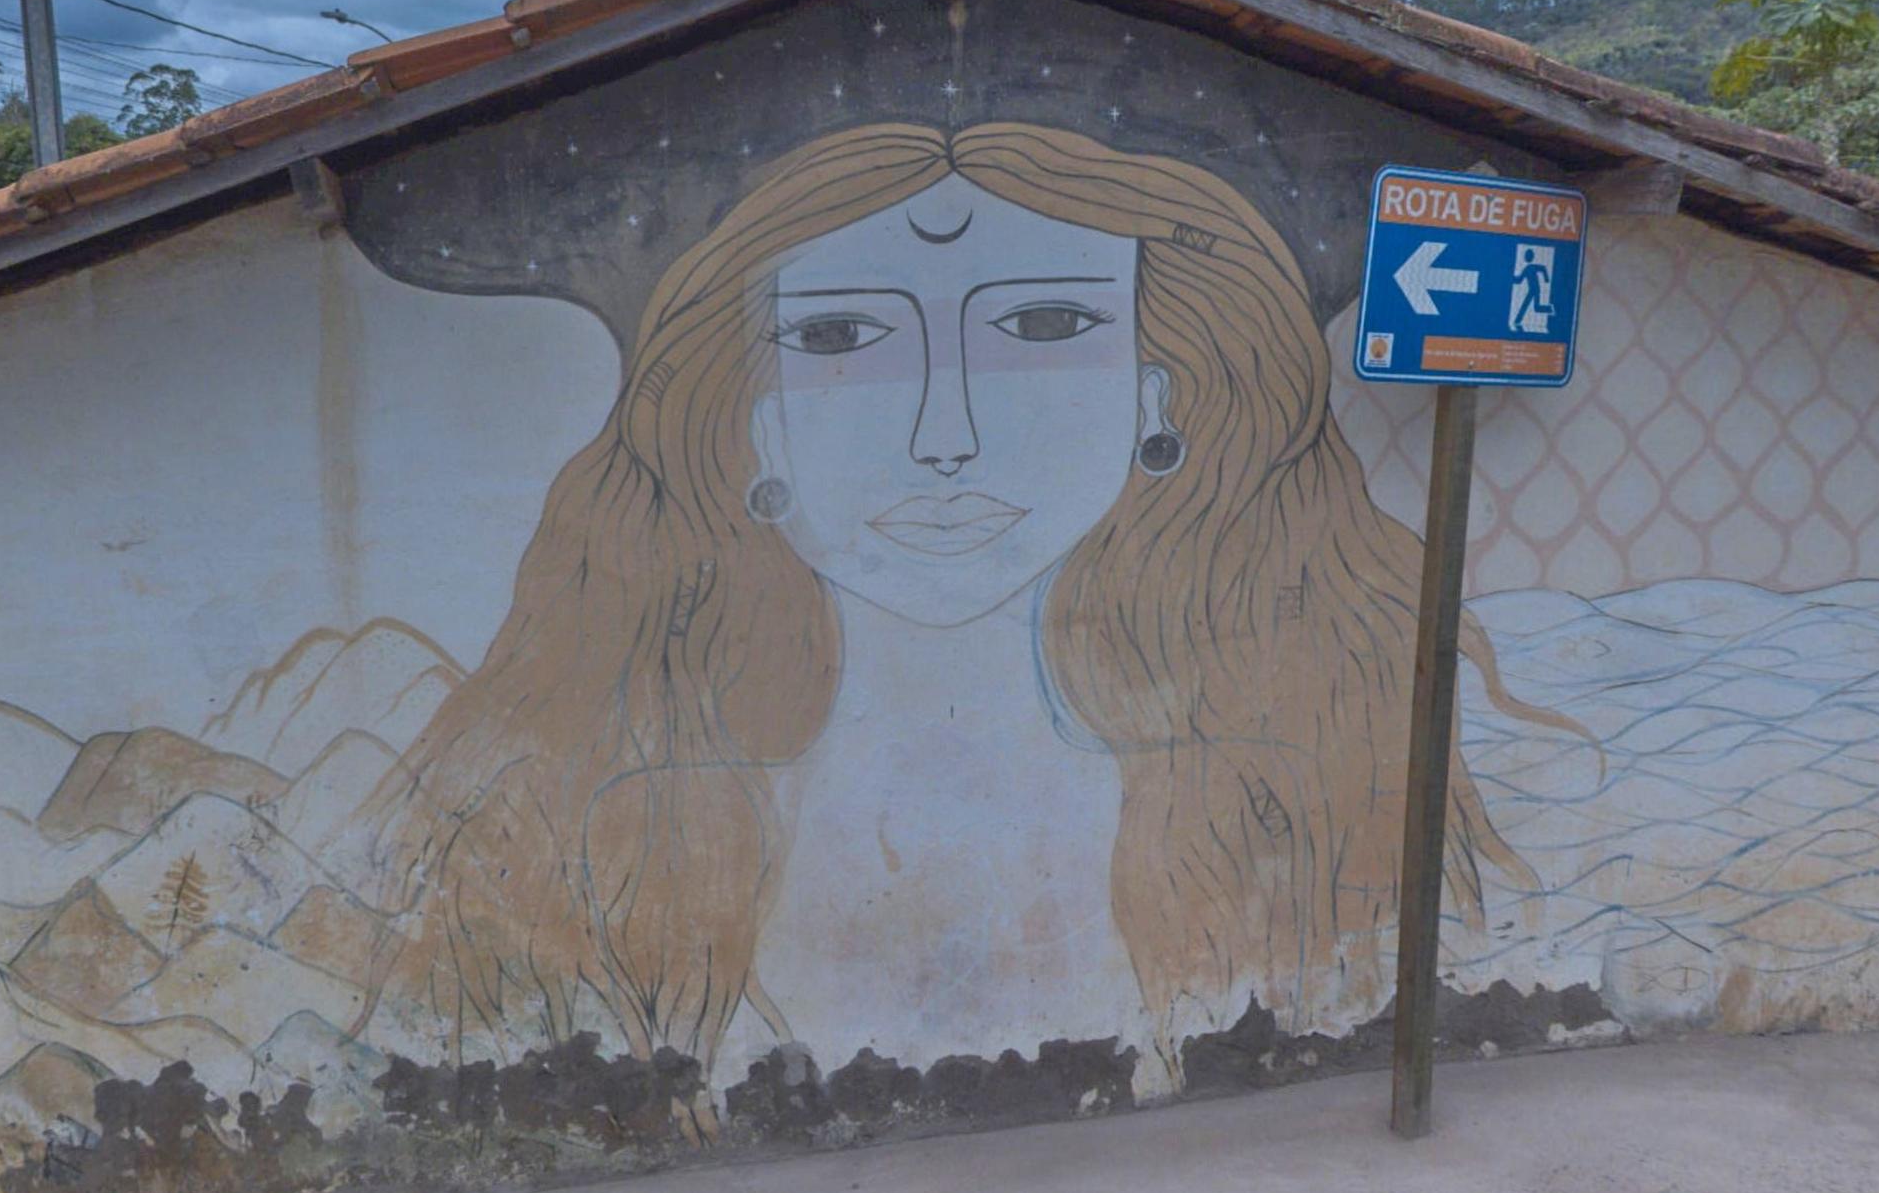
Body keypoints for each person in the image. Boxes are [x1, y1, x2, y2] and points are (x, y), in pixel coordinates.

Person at [355, 120, 1541, 1088]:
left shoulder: (1274, 788)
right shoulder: (606, 814)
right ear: (757, 422)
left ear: (1155, 398)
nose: (946, 435)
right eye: (840, 334)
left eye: (1043, 323)